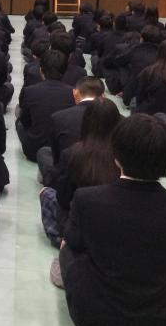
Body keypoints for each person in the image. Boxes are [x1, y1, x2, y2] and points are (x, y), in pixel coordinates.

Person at [58, 114, 166, 326]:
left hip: (98, 319)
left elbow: (75, 243)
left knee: (67, 250)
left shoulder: (87, 199)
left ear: (116, 155)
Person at [39, 98, 121, 247]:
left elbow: (63, 198)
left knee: (46, 193)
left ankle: (63, 240)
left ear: (86, 122)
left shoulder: (72, 153)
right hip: (113, 226)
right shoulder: (123, 156)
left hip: (79, 226)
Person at [37, 76, 105, 187]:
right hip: (104, 176)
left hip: (70, 178)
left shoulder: (59, 117)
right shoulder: (119, 119)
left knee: (44, 152)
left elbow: (57, 158)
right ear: (103, 96)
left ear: (75, 92)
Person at [16, 49, 74, 162]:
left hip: (34, 150)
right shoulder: (74, 92)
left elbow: (25, 121)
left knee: (19, 118)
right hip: (62, 150)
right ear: (65, 70)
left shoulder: (30, 91)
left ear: (41, 71)